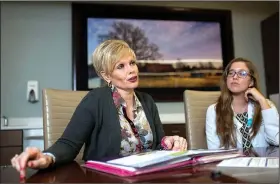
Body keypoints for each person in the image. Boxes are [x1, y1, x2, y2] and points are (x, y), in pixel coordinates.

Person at [11, 40, 188, 177]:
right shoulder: (95, 99)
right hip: (104, 179)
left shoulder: (147, 101)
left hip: (147, 177)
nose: (131, 70)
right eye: (121, 66)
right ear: (106, 75)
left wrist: (169, 142)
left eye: (132, 63)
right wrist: (47, 157)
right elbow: (69, 144)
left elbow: (157, 145)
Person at [206, 57, 279, 149]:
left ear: (251, 81)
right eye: (231, 73)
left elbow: (276, 140)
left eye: (242, 73)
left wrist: (261, 100)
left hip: (261, 161)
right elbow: (214, 151)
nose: (235, 77)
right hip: (231, 163)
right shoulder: (214, 110)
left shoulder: (266, 105)